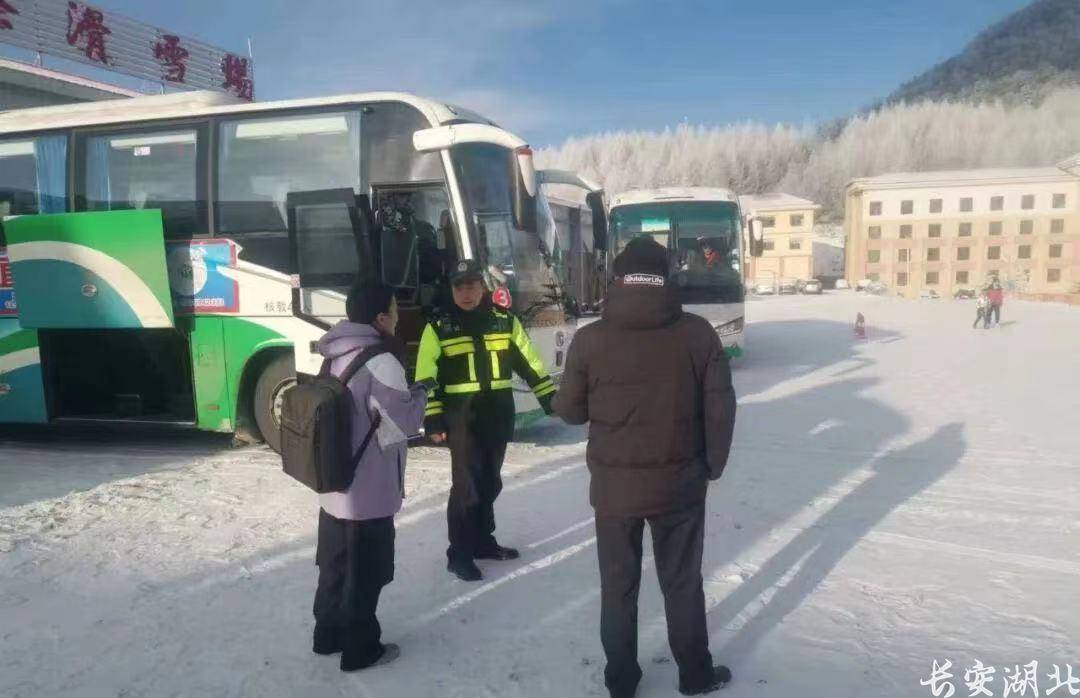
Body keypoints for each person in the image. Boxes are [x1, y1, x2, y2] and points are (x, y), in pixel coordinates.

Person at [552, 237, 738, 698]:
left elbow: (571, 412)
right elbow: (720, 409)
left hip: (614, 492)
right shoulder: (698, 333)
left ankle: (621, 681)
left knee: (618, 587)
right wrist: (711, 466)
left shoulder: (590, 339)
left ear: (617, 279)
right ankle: (694, 674)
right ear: (666, 276)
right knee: (682, 582)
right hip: (680, 487)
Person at [415, 260, 557, 582]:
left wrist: (548, 396)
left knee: (490, 483)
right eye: (459, 287)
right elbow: (426, 375)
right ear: (451, 290)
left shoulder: (504, 321)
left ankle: (483, 542)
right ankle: (459, 554)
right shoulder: (438, 326)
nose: (466, 293)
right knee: (467, 488)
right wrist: (434, 417)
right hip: (461, 416)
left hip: (496, 412)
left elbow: (528, 360)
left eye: (472, 285)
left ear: (483, 287)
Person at [312, 283, 428, 672]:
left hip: (333, 482)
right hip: (369, 489)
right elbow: (406, 421)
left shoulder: (333, 352)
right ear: (380, 318)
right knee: (367, 572)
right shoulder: (383, 360)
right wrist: (422, 393)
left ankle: (326, 636)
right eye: (394, 310)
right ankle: (361, 648)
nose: (397, 316)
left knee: (334, 565)